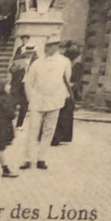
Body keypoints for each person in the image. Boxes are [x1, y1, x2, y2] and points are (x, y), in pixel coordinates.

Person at [20, 40, 72, 170]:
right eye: (47, 45)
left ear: (57, 47)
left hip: (55, 100)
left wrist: (61, 97)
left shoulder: (64, 62)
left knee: (49, 131)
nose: (48, 48)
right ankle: (28, 159)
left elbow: (66, 80)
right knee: (33, 130)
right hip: (37, 100)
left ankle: (41, 158)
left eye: (52, 45)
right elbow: (28, 82)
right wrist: (31, 98)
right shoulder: (37, 63)